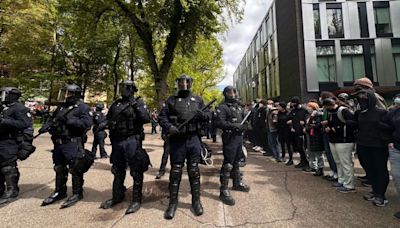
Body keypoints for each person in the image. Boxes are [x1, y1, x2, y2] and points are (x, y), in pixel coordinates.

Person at [158, 74, 208, 219]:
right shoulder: (171, 100)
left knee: (194, 170)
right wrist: (169, 127)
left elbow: (209, 115)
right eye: (181, 82)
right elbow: (162, 117)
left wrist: (202, 116)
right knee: (176, 172)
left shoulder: (198, 100)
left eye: (186, 82)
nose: (183, 84)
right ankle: (173, 203)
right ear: (177, 84)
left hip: (193, 139)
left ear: (191, 83)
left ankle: (196, 201)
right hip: (177, 141)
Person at [99, 80, 150, 214]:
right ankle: (117, 196)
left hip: (132, 140)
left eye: (126, 87)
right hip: (117, 141)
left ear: (132, 89)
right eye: (121, 87)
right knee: (117, 169)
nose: (123, 90)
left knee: (136, 170)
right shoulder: (116, 104)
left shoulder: (138, 103)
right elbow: (109, 118)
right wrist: (102, 124)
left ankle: (136, 200)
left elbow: (146, 118)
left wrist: (135, 106)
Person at [39, 84, 93, 209]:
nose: (66, 96)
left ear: (75, 94)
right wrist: (47, 126)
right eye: (65, 93)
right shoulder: (61, 107)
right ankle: (60, 191)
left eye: (68, 93)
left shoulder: (82, 107)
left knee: (75, 168)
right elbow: (53, 119)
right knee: (59, 167)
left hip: (72, 142)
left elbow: (87, 124)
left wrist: (69, 121)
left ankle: (77, 193)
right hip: (59, 142)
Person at [353, 89, 391, 206]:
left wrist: (379, 126)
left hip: (378, 145)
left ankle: (381, 194)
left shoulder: (381, 112)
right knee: (369, 169)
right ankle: (375, 190)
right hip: (363, 144)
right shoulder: (360, 113)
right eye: (360, 99)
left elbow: (389, 127)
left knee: (380, 169)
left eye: (364, 98)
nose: (362, 100)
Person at [213, 86, 250, 206]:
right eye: (230, 92)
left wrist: (245, 126)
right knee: (228, 163)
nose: (233, 94)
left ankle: (236, 183)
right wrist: (234, 126)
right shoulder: (222, 107)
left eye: (234, 91)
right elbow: (218, 122)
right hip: (229, 138)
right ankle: (223, 190)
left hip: (239, 138)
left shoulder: (237, 106)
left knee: (236, 162)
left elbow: (241, 121)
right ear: (225, 93)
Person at [0, 87, 34, 207]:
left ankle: (12, 191)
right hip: (1, 140)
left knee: (8, 167)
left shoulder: (20, 108)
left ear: (13, 95)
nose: (2, 96)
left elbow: (25, 124)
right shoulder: (4, 107)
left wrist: (5, 121)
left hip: (10, 142)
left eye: (5, 94)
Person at [323, 98, 356, 193]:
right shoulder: (331, 112)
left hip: (344, 140)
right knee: (338, 162)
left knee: (345, 162)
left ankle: (349, 185)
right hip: (334, 139)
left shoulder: (343, 111)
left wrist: (336, 128)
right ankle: (342, 180)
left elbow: (352, 123)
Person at [382, 94, 400, 218]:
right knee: (397, 176)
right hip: (396, 149)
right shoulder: (393, 113)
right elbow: (386, 127)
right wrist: (389, 141)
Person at [287, 96, 309, 168]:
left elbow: (308, 119)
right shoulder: (293, 111)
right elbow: (290, 118)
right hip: (295, 132)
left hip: (302, 132)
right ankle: (302, 161)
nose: (293, 104)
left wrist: (304, 124)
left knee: (301, 147)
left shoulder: (304, 111)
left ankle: (306, 162)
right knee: (298, 148)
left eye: (294, 103)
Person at [304, 102, 324, 176]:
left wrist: (309, 128)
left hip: (316, 136)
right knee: (310, 151)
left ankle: (320, 168)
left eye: (309, 107)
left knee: (318, 154)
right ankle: (313, 166)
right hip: (310, 136)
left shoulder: (318, 115)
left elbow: (317, 126)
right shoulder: (308, 115)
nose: (308, 108)